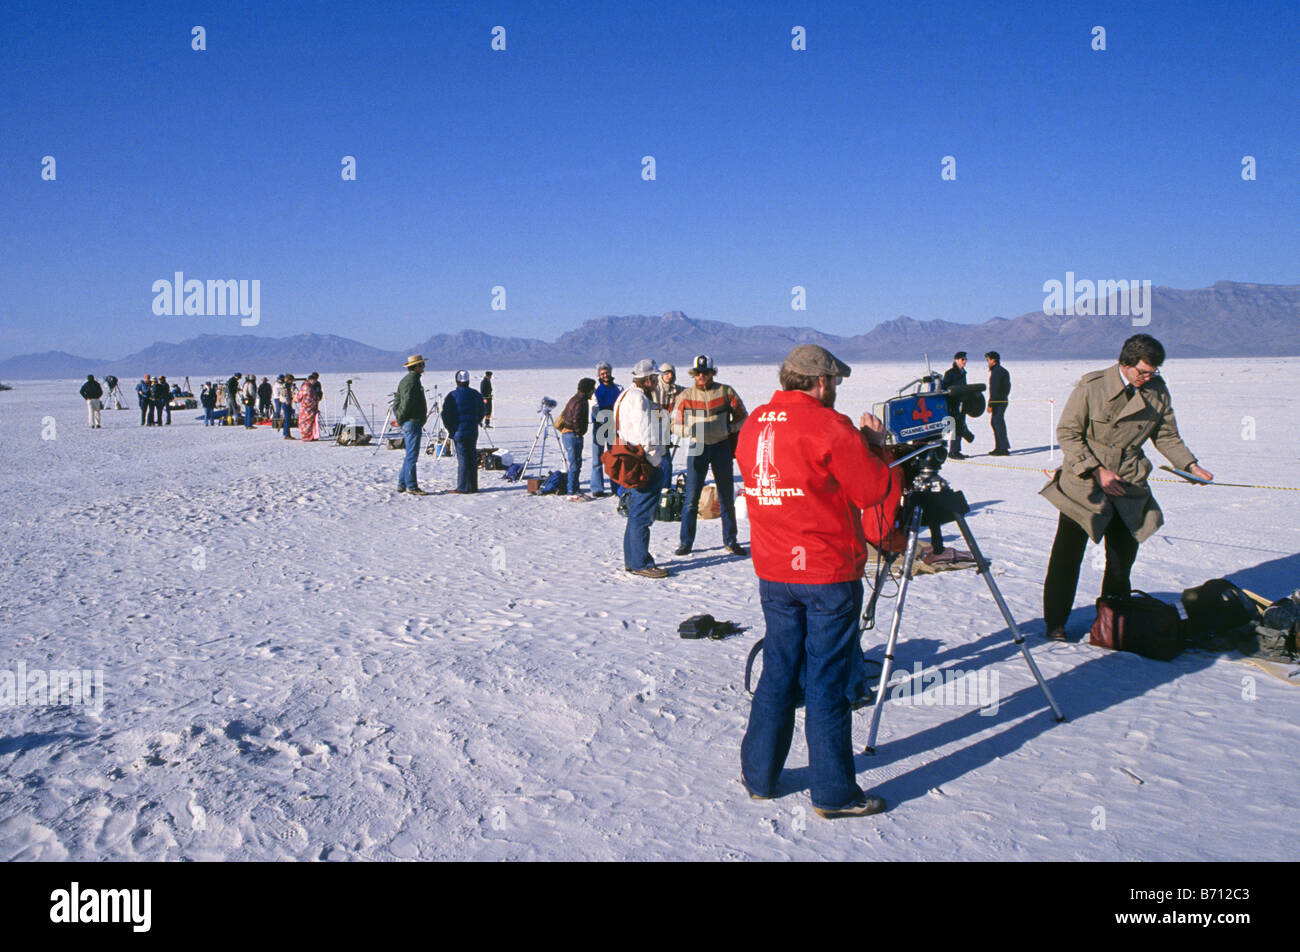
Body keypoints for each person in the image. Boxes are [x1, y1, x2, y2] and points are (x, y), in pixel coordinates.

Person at [737, 344, 894, 819]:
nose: (836, 392)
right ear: (821, 382)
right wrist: (878, 449)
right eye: (836, 384)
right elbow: (871, 491)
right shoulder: (831, 425)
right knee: (827, 683)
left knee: (780, 672)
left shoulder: (756, 422)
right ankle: (833, 794)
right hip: (826, 573)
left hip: (775, 571)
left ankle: (760, 776)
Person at [1040, 334, 1213, 641]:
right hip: (1085, 484)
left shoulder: (1157, 391)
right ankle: (1055, 623)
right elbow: (1068, 433)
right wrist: (1096, 470)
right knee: (1067, 557)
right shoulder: (1092, 386)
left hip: (1128, 482)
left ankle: (1113, 625)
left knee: (1121, 559)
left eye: (1153, 373)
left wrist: (1189, 465)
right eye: (1142, 372)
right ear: (1125, 363)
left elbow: (1166, 435)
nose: (1147, 378)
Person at [671, 355, 748, 557]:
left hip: (721, 446)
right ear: (693, 374)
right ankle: (686, 542)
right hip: (698, 446)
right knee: (691, 497)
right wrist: (689, 430)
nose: (701, 376)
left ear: (713, 373)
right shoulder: (686, 396)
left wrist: (728, 428)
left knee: (725, 496)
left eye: (705, 373)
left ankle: (731, 540)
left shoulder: (725, 392)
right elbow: (675, 425)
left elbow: (743, 417)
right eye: (698, 373)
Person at [614, 360, 669, 578]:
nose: (657, 382)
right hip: (643, 461)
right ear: (647, 380)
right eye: (655, 379)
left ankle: (632, 559)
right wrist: (655, 461)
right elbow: (647, 435)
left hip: (629, 458)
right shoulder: (639, 400)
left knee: (636, 511)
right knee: (642, 514)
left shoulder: (625, 396)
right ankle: (641, 563)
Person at [441, 370, 485, 493]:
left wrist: (451, 429)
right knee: (472, 458)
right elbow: (482, 411)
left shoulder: (452, 396)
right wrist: (476, 422)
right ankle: (473, 486)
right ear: (468, 381)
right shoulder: (476, 394)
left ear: (456, 381)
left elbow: (445, 414)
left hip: (459, 432)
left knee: (463, 459)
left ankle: (463, 487)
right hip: (472, 431)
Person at [393, 355, 430, 495]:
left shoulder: (407, 380)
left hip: (411, 421)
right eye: (421, 365)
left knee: (409, 454)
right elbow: (406, 403)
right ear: (416, 367)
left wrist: (399, 417)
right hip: (412, 422)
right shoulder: (412, 381)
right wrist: (401, 419)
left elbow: (397, 401)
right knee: (412, 456)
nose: (423, 367)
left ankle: (402, 484)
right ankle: (411, 486)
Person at [557, 377, 596, 500]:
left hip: (568, 434)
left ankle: (574, 487)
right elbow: (576, 419)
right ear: (588, 390)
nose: (594, 391)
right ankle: (572, 491)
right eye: (592, 389)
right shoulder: (581, 402)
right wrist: (579, 433)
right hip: (573, 435)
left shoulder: (575, 398)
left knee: (575, 462)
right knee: (575, 464)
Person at [589, 362, 622, 497]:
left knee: (614, 456)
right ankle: (597, 488)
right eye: (602, 373)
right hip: (600, 424)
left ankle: (616, 487)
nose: (605, 375)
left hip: (614, 425)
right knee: (597, 457)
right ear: (598, 375)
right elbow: (594, 407)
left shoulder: (618, 388)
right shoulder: (595, 389)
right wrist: (603, 420)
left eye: (607, 372)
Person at [942, 352, 975, 459]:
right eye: (962, 359)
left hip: (962, 405)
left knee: (960, 426)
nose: (964, 361)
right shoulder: (950, 373)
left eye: (965, 359)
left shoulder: (963, 373)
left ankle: (957, 450)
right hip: (953, 405)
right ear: (956, 360)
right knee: (954, 428)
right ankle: (953, 452)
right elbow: (945, 389)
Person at [654, 362, 684, 483]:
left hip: (665, 431)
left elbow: (689, 393)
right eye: (666, 373)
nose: (669, 376)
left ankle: (665, 487)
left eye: (671, 373)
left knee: (665, 462)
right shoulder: (653, 389)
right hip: (651, 431)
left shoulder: (675, 390)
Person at [985, 352, 1011, 455]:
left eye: (988, 360)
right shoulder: (1002, 371)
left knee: (997, 423)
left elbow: (995, 390)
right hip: (1002, 400)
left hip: (998, 401)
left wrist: (991, 404)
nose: (987, 362)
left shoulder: (997, 372)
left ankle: (1002, 448)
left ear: (993, 360)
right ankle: (1000, 447)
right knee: (996, 422)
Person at [295, 373, 321, 441]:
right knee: (306, 423)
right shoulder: (307, 387)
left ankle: (311, 435)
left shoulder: (311, 386)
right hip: (306, 408)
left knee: (311, 423)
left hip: (311, 408)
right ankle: (307, 436)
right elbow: (300, 397)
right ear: (311, 380)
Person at [278, 374, 296, 439]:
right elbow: (284, 395)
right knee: (287, 419)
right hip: (286, 403)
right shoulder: (285, 386)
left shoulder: (286, 386)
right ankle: (286, 434)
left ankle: (286, 433)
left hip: (286, 402)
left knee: (287, 418)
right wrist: (288, 400)